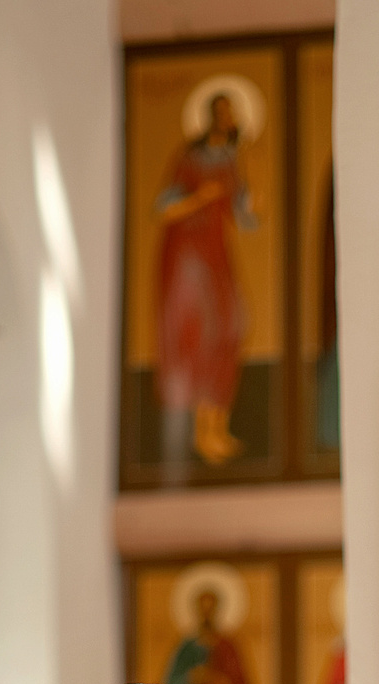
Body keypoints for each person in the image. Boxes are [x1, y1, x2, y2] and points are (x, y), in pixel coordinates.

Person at [156, 90, 257, 468]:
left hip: (217, 254)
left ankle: (218, 426)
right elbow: (163, 208)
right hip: (187, 258)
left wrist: (249, 195)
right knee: (202, 334)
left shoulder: (233, 159)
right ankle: (200, 432)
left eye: (231, 114)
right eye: (221, 113)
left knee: (232, 328)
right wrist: (201, 197)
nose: (226, 120)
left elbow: (244, 218)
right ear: (210, 117)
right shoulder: (189, 158)